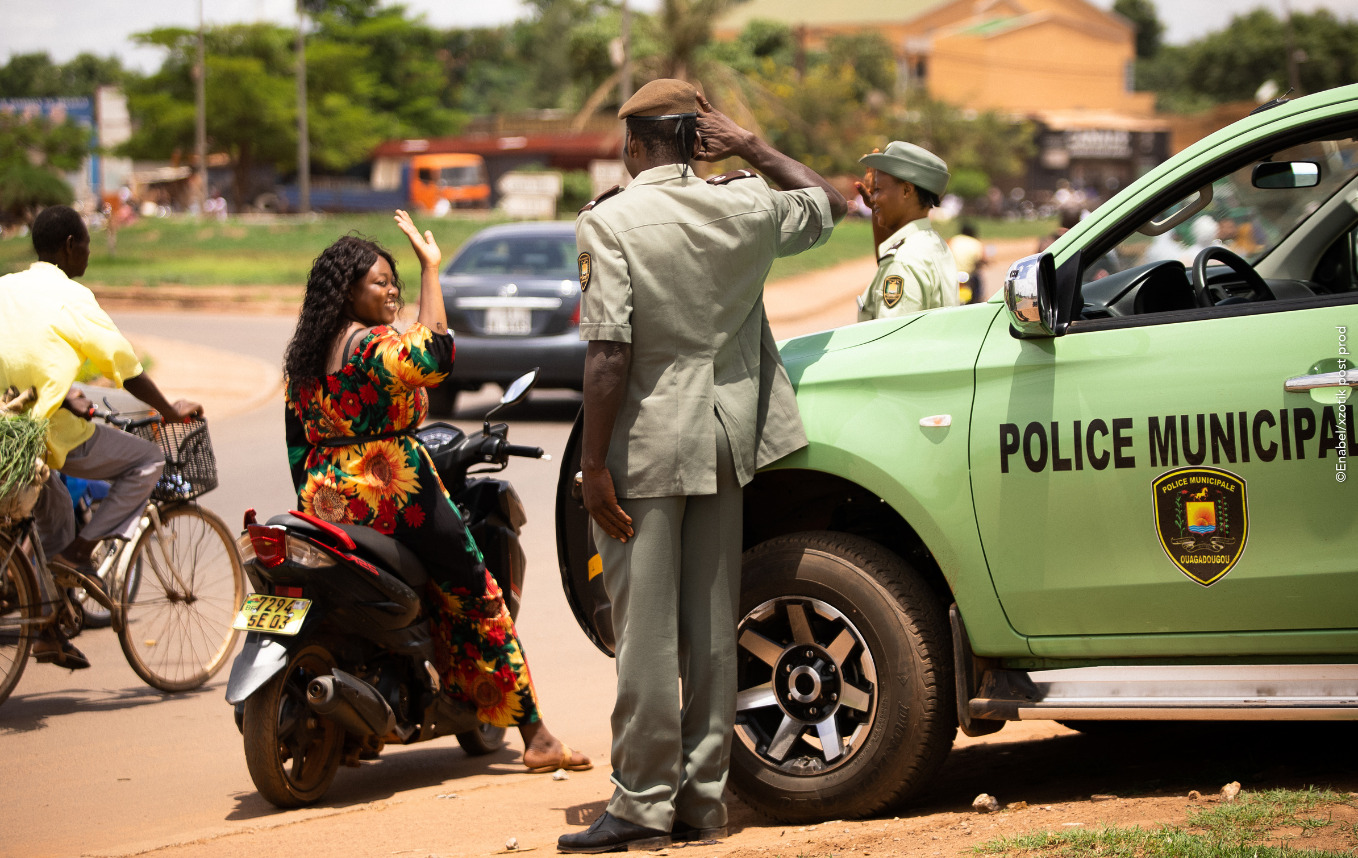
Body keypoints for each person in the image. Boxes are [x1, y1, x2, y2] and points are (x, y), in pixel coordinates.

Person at [559, 79, 846, 853]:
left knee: (646, 633)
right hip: (726, 433)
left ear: (631, 143)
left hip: (649, 444)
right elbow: (830, 204)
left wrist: (592, 466)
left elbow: (609, 352)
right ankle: (702, 801)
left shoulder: (611, 223)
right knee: (711, 628)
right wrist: (752, 146)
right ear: (698, 138)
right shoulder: (747, 203)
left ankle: (643, 803)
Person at [281, 210, 590, 776]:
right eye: (380, 282)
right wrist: (430, 269)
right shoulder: (373, 347)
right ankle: (536, 736)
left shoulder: (306, 355)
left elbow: (297, 442)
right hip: (394, 490)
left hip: (327, 498)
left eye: (395, 280)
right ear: (349, 292)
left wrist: (313, 497)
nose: (391, 290)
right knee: (476, 593)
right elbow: (437, 355)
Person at [0, 204, 202, 670]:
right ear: (72, 246)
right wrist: (170, 411)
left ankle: (48, 629)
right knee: (147, 460)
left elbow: (25, 353)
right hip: (47, 434)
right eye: (86, 243)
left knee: (54, 512)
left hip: (10, 429)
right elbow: (125, 365)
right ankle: (82, 554)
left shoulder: (8, 288)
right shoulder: (72, 296)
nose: (87, 254)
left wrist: (65, 390)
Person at [854, 141, 960, 320]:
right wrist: (876, 208)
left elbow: (892, 342)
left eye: (878, 189)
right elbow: (886, 260)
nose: (874, 198)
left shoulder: (903, 261)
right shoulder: (933, 244)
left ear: (906, 190)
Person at [948, 221, 989, 304]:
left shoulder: (953, 240)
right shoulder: (976, 243)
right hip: (970, 275)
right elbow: (983, 259)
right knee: (978, 286)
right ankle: (978, 301)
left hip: (953, 275)